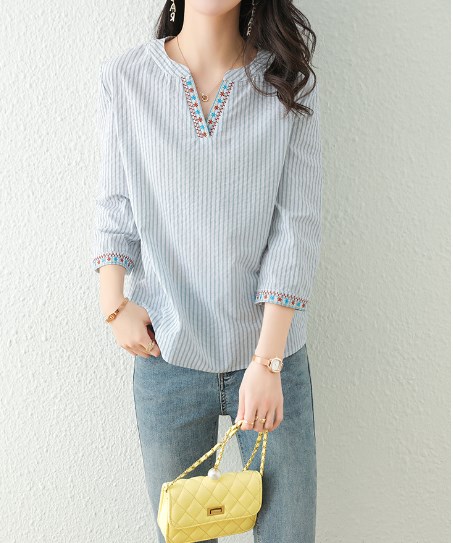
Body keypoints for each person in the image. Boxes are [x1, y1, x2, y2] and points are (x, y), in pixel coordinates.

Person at [92, 1, 323, 541]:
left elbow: (297, 227)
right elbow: (116, 203)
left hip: (271, 361)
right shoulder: (126, 78)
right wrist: (114, 305)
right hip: (167, 355)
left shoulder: (286, 82)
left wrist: (266, 362)